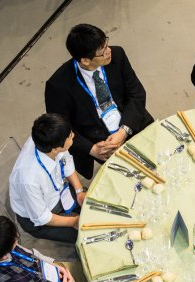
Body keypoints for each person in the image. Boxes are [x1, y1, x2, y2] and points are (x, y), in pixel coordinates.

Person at [45, 23, 154, 179]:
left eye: (106, 44)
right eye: (103, 52)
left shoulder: (118, 55)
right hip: (101, 140)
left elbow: (136, 93)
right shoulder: (58, 86)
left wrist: (124, 130)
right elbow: (61, 129)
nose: (109, 51)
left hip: (130, 120)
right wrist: (93, 149)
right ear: (85, 60)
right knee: (133, 179)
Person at [9, 113, 85, 244]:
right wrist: (73, 221)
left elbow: (66, 162)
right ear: (55, 149)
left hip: (59, 193)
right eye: (70, 136)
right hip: (38, 218)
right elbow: (42, 217)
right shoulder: (29, 180)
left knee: (94, 202)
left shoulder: (49, 140)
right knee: (86, 235)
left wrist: (79, 191)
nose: (73, 135)